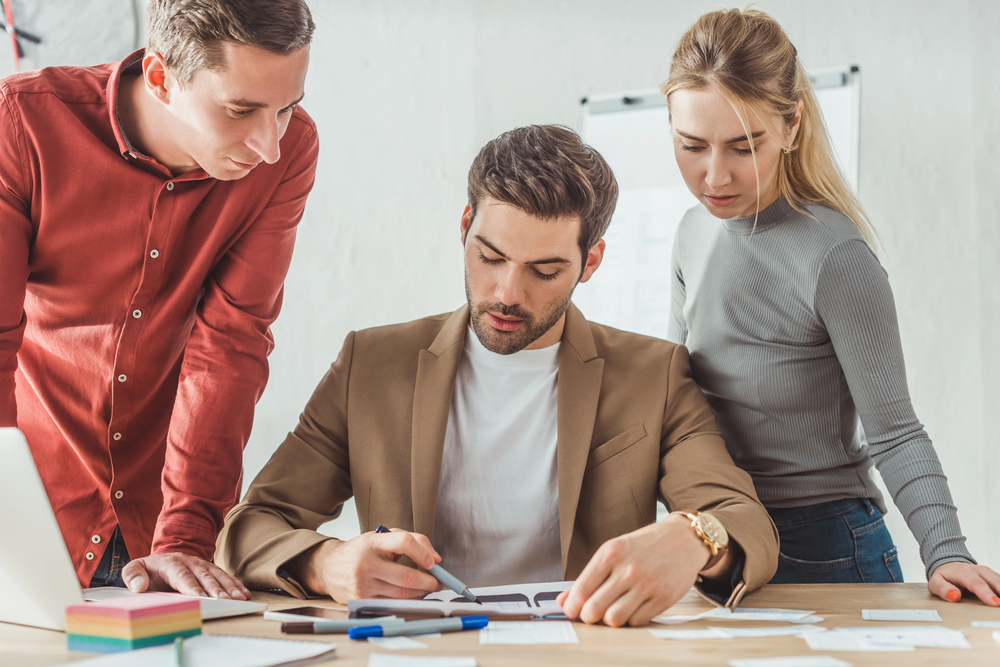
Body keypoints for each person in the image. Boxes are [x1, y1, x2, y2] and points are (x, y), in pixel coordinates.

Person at [216, 125, 778, 627]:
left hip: (580, 654)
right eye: (490, 256)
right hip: (419, 652)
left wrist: (694, 537)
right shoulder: (371, 364)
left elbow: (742, 518)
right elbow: (250, 525)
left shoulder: (652, 375)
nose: (508, 294)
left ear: (592, 261)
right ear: (465, 227)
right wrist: (327, 562)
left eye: (545, 270)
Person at [662, 8, 1000, 606]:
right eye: (691, 146)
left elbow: (894, 431)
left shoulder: (836, 256)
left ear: (791, 126)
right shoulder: (691, 232)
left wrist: (946, 551)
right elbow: (680, 400)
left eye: (744, 146)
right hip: (726, 540)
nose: (714, 175)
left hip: (826, 544)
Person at [0, 0, 319, 600]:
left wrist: (187, 533)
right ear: (159, 77)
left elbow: (231, 343)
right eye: (240, 110)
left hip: (164, 545)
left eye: (285, 109)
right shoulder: (21, 125)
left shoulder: (286, 156)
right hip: (29, 527)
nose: (269, 145)